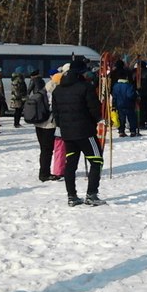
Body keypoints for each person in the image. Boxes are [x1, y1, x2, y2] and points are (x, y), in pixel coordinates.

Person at [51, 57, 106, 206]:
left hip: (67, 133)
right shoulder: (85, 87)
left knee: (71, 164)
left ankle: (72, 196)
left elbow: (55, 112)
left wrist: (63, 126)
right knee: (96, 161)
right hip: (85, 132)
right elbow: (94, 108)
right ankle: (92, 194)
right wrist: (99, 119)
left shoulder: (58, 89)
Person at [112, 70, 138, 137]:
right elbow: (131, 95)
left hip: (119, 104)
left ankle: (121, 131)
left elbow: (114, 96)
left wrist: (114, 105)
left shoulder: (115, 86)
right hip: (129, 104)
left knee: (121, 118)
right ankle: (133, 131)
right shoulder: (129, 85)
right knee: (131, 118)